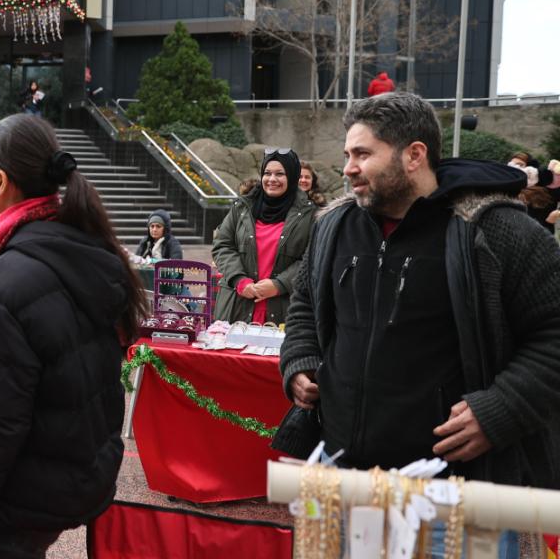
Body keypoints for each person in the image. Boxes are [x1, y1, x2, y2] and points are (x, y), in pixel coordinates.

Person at [280, 92, 560, 486]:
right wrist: (299, 360)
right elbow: (305, 306)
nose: (348, 168)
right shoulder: (333, 227)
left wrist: (502, 409)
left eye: (362, 154)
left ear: (414, 155)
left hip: (454, 486)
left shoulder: (495, 231)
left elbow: (552, 333)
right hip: (339, 470)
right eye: (347, 155)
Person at [0, 114, 148, 558]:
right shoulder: (79, 243)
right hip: (74, 466)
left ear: (0, 181)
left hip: (24, 486)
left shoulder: (8, 277)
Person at [212, 148, 315, 325]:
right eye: (267, 173)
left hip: (284, 309)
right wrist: (239, 280)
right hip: (236, 306)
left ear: (292, 177)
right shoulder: (242, 207)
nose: (272, 179)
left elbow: (312, 257)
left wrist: (280, 284)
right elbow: (222, 245)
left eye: (280, 174)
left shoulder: (309, 215)